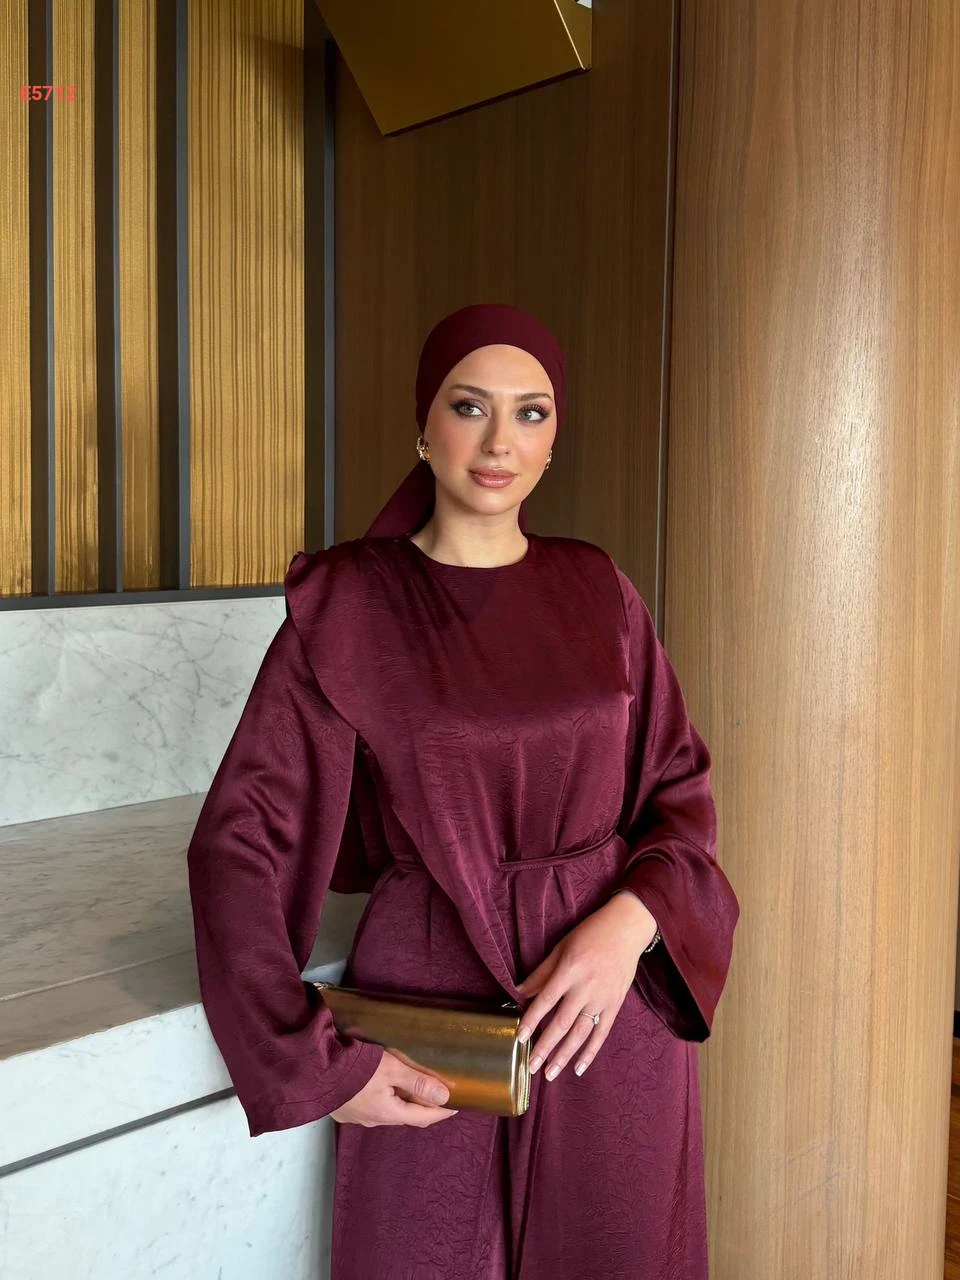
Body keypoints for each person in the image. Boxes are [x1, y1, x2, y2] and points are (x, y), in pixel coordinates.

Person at [186, 302, 740, 1278]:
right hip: (432, 1016)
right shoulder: (352, 604)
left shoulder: (601, 591)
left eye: (531, 412)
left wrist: (632, 924)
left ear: (554, 436)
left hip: (605, 1018)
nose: (499, 441)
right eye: (469, 405)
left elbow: (679, 790)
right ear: (424, 424)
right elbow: (241, 839)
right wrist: (316, 1065)